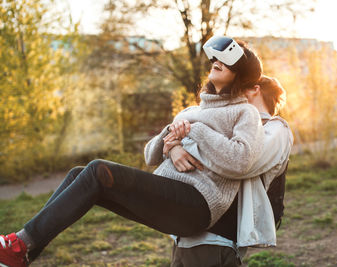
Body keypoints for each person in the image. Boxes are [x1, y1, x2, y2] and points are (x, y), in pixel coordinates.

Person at [0, 36, 269, 267]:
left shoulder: (244, 112)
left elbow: (241, 160)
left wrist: (195, 131)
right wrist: (170, 143)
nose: (216, 62)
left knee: (97, 171)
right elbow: (150, 155)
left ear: (240, 74)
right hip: (169, 193)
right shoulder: (190, 111)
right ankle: (23, 252)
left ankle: (18, 246)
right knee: (77, 174)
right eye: (215, 59)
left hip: (198, 204)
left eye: (228, 62)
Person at [166, 76, 293, 267]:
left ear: (254, 89)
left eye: (238, 88)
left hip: (217, 240)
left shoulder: (276, 129)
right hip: (185, 237)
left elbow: (239, 164)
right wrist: (173, 147)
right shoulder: (229, 126)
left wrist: (187, 137)